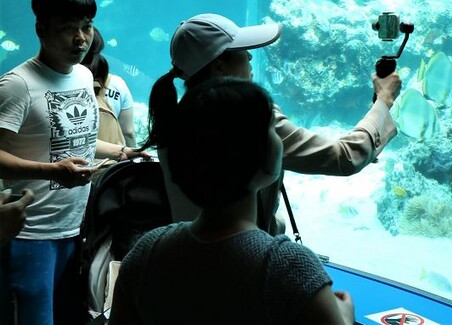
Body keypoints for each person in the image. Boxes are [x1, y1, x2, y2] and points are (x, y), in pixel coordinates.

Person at [109, 77, 355, 325]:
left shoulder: (146, 253)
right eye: (272, 128)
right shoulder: (290, 268)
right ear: (257, 156)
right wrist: (344, 316)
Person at [140, 13, 401, 231]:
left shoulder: (173, 115)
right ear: (219, 66)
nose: (251, 58)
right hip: (243, 262)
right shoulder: (249, 117)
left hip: (192, 251)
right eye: (243, 51)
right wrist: (384, 101)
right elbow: (344, 157)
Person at [0, 0, 147, 325]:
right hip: (30, 233)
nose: (80, 38)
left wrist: (123, 151)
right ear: (41, 29)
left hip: (76, 229)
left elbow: (75, 138)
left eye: (86, 26)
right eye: (68, 29)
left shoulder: (83, 75)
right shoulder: (17, 85)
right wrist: (51, 172)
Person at [81, 27, 138, 149]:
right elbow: (128, 132)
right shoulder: (117, 83)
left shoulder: (61, 82)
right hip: (113, 162)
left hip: (73, 163)